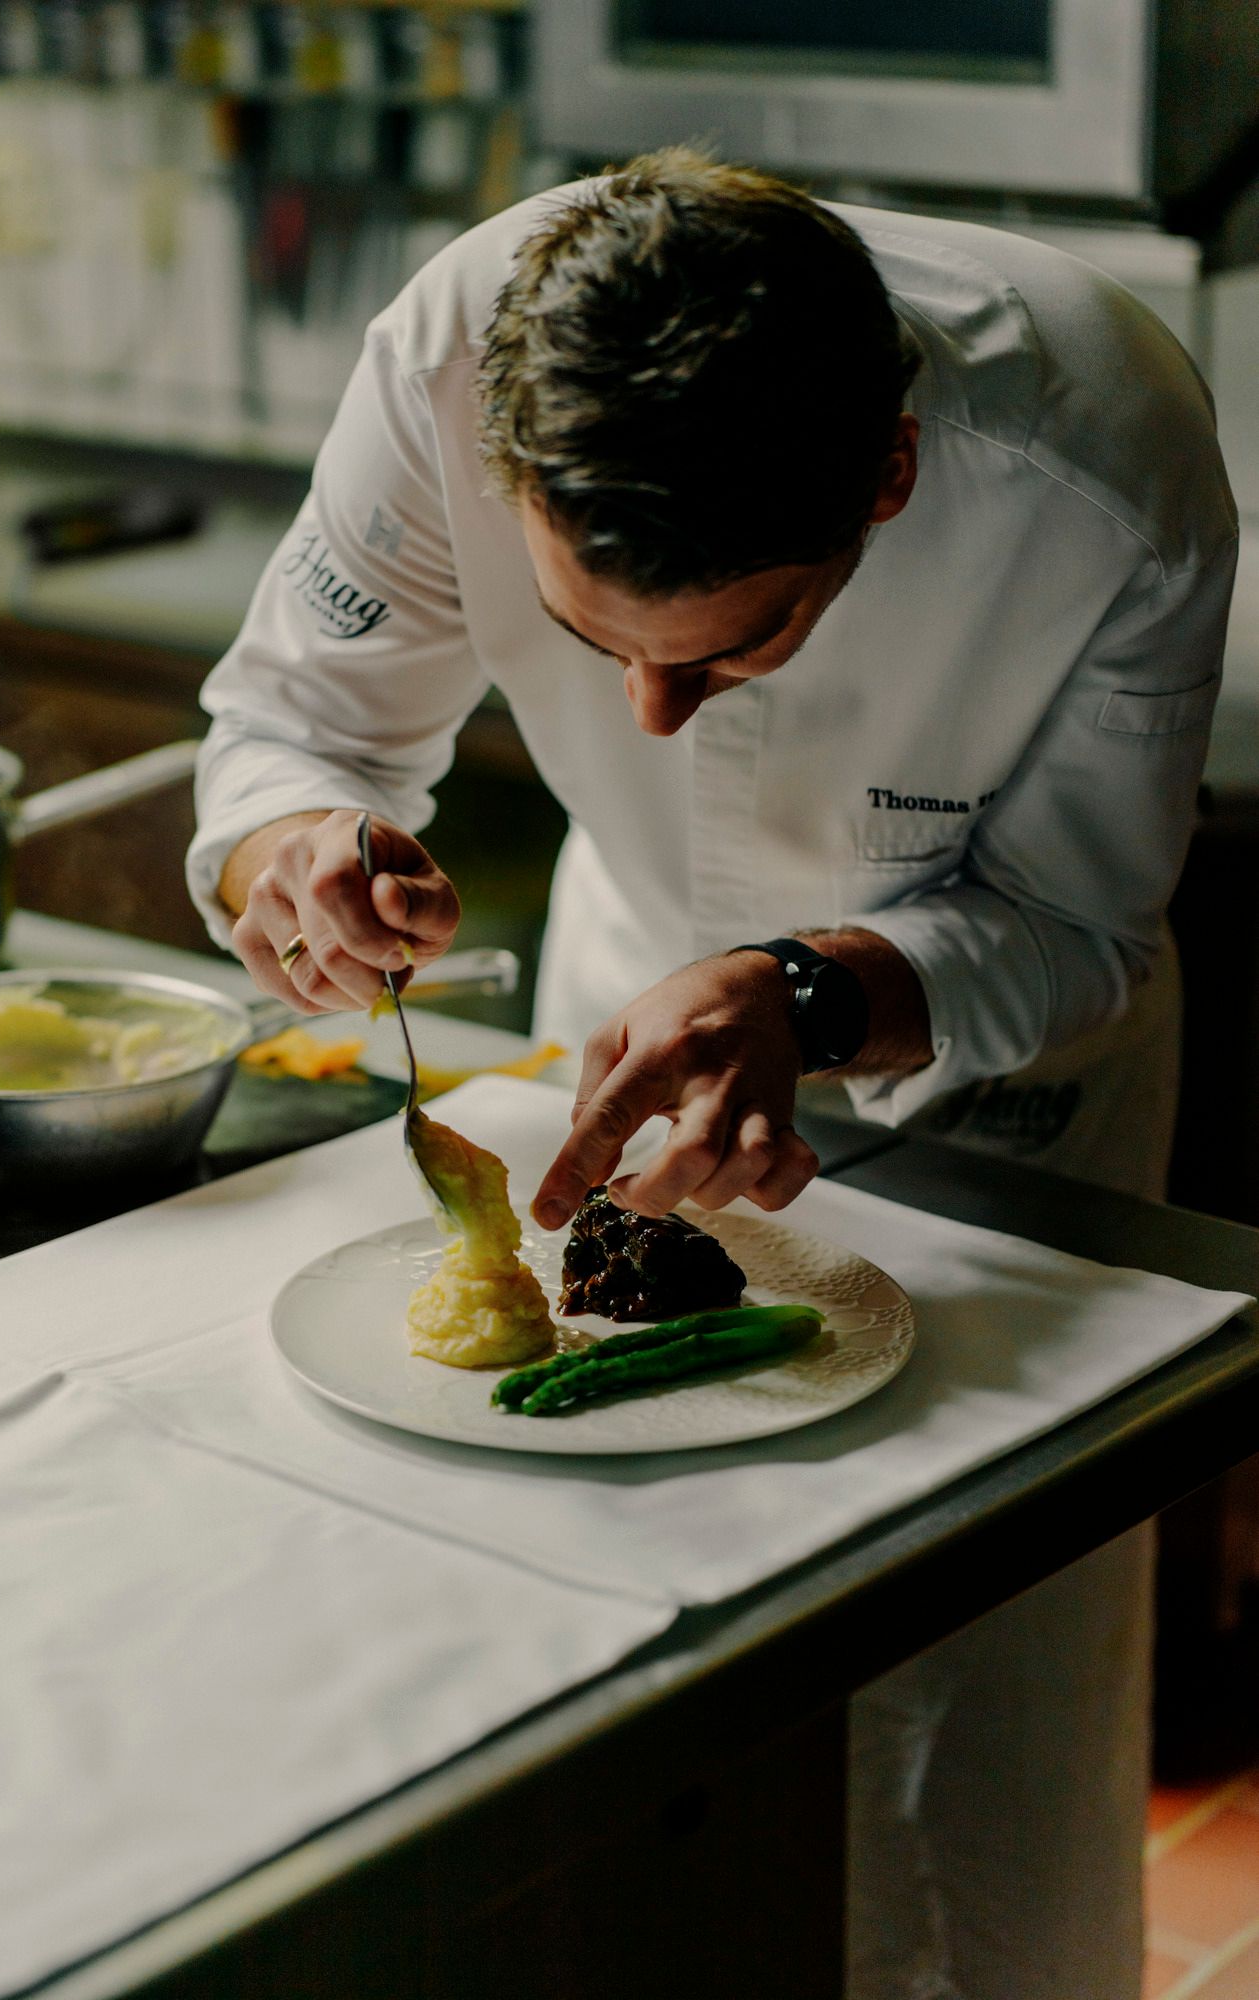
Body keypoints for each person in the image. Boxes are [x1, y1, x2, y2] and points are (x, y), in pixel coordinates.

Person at [186, 150, 1236, 1998]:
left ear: (888, 479)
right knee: (621, 1658)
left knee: (986, 1704)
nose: (655, 719)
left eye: (740, 646)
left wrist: (813, 994)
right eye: (600, 655)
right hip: (624, 1011)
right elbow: (290, 726)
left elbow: (1085, 927)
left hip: (1007, 1101)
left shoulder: (1113, 454)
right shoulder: (449, 356)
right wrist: (298, 851)